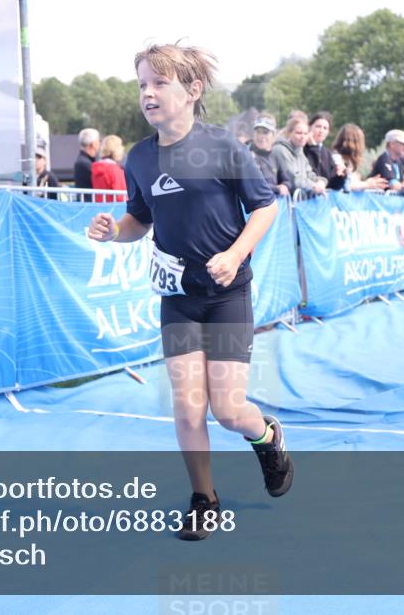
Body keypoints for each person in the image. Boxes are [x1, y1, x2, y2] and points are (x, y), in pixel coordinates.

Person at [87, 43, 293, 542]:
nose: (148, 94)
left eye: (159, 83)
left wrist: (236, 254)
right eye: (142, 85)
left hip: (226, 295)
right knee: (186, 405)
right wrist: (116, 231)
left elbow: (265, 208)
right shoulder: (138, 157)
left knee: (227, 411)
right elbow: (140, 219)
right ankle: (205, 499)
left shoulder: (222, 146)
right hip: (178, 298)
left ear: (192, 90)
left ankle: (266, 436)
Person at [270, 112, 325, 196]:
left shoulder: (300, 150)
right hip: (283, 202)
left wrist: (321, 181)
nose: (303, 137)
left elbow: (309, 174)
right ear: (289, 133)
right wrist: (313, 186)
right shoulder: (280, 150)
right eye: (299, 133)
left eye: (305, 133)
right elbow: (294, 179)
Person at [331, 123, 388, 192]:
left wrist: (368, 183)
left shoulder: (350, 162)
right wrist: (367, 184)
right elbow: (345, 185)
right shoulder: (337, 158)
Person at [248, 113, 289, 196]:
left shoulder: (276, 155)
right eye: (258, 132)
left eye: (265, 132)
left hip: (277, 206)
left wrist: (285, 186)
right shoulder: (248, 155)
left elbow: (286, 180)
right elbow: (254, 185)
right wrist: (277, 188)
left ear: (273, 135)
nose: (261, 136)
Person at [303, 111, 340, 190]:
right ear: (310, 127)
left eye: (325, 128)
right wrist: (313, 148)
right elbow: (314, 173)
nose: (321, 131)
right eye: (318, 126)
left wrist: (341, 176)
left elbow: (331, 182)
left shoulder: (327, 153)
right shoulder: (302, 149)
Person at [91, 134, 127, 202]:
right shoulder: (115, 170)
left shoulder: (95, 168)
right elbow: (121, 197)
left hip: (100, 208)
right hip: (114, 209)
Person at [74, 128, 100, 198]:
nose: (99, 143)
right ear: (93, 144)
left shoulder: (83, 161)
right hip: (88, 204)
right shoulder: (84, 163)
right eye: (98, 141)